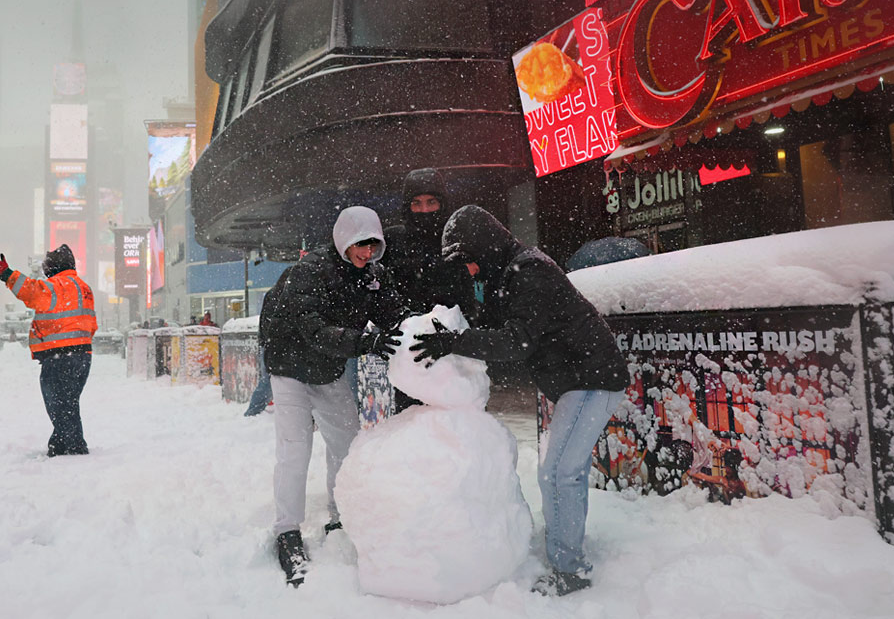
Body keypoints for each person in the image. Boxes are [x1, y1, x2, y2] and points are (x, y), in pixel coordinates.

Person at [408, 205, 628, 597]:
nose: (470, 271)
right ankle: (566, 551)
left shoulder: (530, 273)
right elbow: (493, 327)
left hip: (592, 377)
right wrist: (453, 330)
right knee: (562, 470)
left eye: (469, 260)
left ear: (485, 245)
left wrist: (454, 342)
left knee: (560, 472)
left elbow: (516, 341)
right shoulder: (507, 272)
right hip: (578, 379)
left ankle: (570, 570)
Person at [259, 206, 406, 587]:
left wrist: (423, 329)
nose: (367, 251)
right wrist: (362, 341)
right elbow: (313, 329)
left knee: (346, 439)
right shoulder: (310, 272)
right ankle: (287, 531)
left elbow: (395, 315)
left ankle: (341, 516)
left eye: (373, 243)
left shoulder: (373, 276)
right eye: (360, 243)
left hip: (327, 368)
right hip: (289, 364)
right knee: (295, 448)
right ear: (343, 240)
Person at [0, 244, 97, 457]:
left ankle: (74, 448)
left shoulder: (55, 286)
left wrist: (6, 274)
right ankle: (60, 443)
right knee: (67, 404)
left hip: (60, 356)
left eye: (48, 264)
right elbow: (91, 324)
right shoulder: (83, 287)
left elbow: (30, 291)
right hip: (82, 356)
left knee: (58, 404)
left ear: (54, 266)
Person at [383, 168, 474, 413]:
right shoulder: (392, 241)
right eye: (417, 203)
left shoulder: (459, 239)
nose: (424, 210)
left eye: (431, 202)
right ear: (407, 206)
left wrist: (465, 334)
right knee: (412, 425)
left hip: (452, 346)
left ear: (442, 203)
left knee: (456, 423)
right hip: (408, 350)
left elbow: (471, 294)